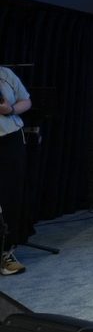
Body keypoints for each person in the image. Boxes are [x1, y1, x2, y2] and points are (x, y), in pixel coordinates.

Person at [0, 66, 32, 276]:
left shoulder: (5, 74)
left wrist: (10, 109)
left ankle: (6, 251)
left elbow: (26, 101)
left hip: (10, 137)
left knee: (10, 195)